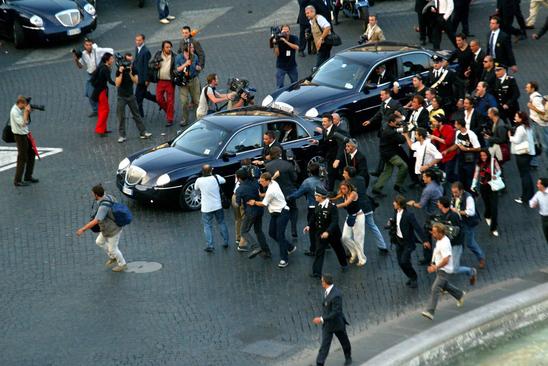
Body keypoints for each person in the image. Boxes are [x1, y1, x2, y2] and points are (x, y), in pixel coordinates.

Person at [247, 172, 296, 269]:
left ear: (267, 181)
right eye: (260, 181)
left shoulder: (271, 191)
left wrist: (254, 202)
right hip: (275, 213)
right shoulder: (273, 182)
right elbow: (272, 178)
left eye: (262, 181)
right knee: (271, 233)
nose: (260, 183)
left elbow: (264, 204)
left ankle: (284, 259)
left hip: (282, 213)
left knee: (280, 236)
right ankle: (290, 247)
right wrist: (262, 193)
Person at [76, 185, 127, 272]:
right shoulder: (108, 197)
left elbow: (96, 221)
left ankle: (122, 264)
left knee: (113, 249)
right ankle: (113, 257)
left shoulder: (103, 207)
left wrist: (82, 229)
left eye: (93, 194)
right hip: (107, 228)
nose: (92, 195)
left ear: (96, 195)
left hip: (113, 230)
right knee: (99, 242)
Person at [421, 223, 465, 320]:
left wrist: (435, 267)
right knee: (445, 285)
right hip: (441, 269)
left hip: (444, 270)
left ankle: (430, 311)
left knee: (435, 288)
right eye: (432, 232)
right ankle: (459, 294)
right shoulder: (440, 240)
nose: (433, 234)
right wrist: (433, 263)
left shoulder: (445, 243)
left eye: (435, 232)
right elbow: (437, 253)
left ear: (441, 233)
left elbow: (446, 260)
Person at [305, 186, 349, 277]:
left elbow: (334, 221)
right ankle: (316, 272)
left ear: (321, 197)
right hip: (321, 233)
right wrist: (309, 225)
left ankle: (344, 264)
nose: (315, 197)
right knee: (319, 251)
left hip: (333, 234)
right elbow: (314, 217)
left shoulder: (332, 207)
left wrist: (328, 232)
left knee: (338, 249)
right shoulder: (317, 204)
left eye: (316, 195)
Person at [343, 167, 389, 254]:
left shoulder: (347, 185)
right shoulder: (361, 179)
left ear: (349, 174)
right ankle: (382, 246)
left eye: (344, 173)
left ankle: (350, 250)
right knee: (373, 226)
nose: (343, 174)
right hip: (367, 207)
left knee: (351, 229)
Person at [312, 274, 353, 366]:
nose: (321, 282)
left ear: (326, 282)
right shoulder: (327, 291)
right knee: (325, 345)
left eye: (322, 281)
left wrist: (321, 319)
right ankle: (319, 363)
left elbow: (336, 312)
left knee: (344, 341)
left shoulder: (336, 295)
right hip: (327, 325)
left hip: (337, 324)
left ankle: (348, 357)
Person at [390, 195, 429, 288]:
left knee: (404, 261)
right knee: (401, 262)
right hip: (398, 241)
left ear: (399, 204)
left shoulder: (409, 215)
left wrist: (425, 240)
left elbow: (417, 228)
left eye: (395, 202)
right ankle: (411, 277)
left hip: (408, 242)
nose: (393, 203)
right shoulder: (395, 211)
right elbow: (397, 223)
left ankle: (414, 277)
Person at [436, 197, 477, 285]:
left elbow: (458, 231)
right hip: (447, 244)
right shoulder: (442, 215)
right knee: (442, 265)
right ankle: (443, 285)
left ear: (442, 205)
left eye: (438, 203)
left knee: (454, 269)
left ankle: (471, 271)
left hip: (456, 245)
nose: (437, 204)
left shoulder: (453, 216)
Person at [406, 169, 444, 264]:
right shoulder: (438, 185)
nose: (422, 178)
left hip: (432, 216)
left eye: (424, 176)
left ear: (429, 178)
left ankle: (429, 258)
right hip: (440, 214)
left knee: (426, 236)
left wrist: (412, 203)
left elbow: (420, 205)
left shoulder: (428, 190)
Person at [287, 162, 324, 256]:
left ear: (309, 172)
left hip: (313, 208)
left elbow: (298, 194)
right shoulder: (322, 179)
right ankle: (325, 244)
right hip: (324, 205)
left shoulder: (307, 182)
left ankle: (313, 250)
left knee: (312, 229)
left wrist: (288, 197)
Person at [114, 53, 152, 143]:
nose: (129, 63)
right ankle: (122, 135)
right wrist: (121, 72)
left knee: (136, 114)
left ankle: (143, 132)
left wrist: (130, 72)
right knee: (121, 117)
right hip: (121, 97)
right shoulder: (119, 70)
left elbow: (136, 81)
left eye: (130, 61)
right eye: (128, 61)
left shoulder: (133, 69)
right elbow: (117, 84)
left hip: (131, 95)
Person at [235, 168, 272, 259]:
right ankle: (267, 252)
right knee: (258, 231)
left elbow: (238, 204)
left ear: (239, 178)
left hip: (250, 212)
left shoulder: (240, 189)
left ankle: (255, 247)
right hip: (259, 209)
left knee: (244, 231)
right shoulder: (255, 182)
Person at [73, 38, 113, 117]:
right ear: (84, 46)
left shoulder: (97, 51)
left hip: (99, 75)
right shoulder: (83, 54)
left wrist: (107, 63)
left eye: (90, 45)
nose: (88, 47)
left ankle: (103, 108)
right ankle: (96, 110)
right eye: (87, 45)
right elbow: (80, 66)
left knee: (102, 92)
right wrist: (76, 60)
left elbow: (111, 50)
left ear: (92, 44)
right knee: (89, 93)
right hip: (90, 75)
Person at [194, 165, 230, 252]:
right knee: (221, 222)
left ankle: (210, 245)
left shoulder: (199, 180)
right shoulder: (216, 177)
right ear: (211, 170)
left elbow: (196, 189)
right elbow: (224, 181)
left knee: (207, 226)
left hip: (206, 207)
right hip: (218, 205)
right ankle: (226, 242)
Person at [265, 146, 299, 238]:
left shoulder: (267, 166)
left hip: (277, 194)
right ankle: (293, 229)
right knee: (293, 209)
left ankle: (279, 232)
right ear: (280, 154)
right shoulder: (287, 164)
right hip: (289, 192)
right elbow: (294, 178)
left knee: (278, 212)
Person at [451, 181, 486, 268]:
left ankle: (481, 258)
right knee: (457, 242)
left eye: (456, 192)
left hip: (467, 223)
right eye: (453, 192)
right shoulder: (455, 196)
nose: (454, 194)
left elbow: (471, 212)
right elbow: (452, 205)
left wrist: (458, 211)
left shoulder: (468, 198)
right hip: (459, 222)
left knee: (470, 243)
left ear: (461, 191)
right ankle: (454, 260)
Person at [372, 114, 408, 196]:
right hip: (390, 153)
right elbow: (402, 140)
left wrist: (398, 129)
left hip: (384, 152)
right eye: (396, 123)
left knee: (388, 171)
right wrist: (404, 133)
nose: (398, 124)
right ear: (391, 122)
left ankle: (376, 188)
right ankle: (398, 185)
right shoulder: (391, 132)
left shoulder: (385, 126)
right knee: (403, 166)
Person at [335, 181, 367, 266]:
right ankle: (354, 252)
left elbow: (346, 203)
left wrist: (334, 206)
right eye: (341, 189)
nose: (343, 190)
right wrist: (328, 199)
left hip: (358, 217)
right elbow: (336, 197)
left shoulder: (353, 194)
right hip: (350, 216)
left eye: (344, 188)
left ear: (349, 188)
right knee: (344, 237)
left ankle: (362, 259)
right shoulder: (343, 193)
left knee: (358, 239)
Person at [472, 149, 501, 236]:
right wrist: (473, 185)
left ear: (487, 155)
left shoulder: (493, 161)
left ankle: (494, 228)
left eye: (484, 155)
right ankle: (487, 215)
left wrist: (496, 175)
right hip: (483, 187)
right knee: (487, 205)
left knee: (494, 207)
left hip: (493, 186)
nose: (483, 157)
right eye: (481, 156)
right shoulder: (478, 164)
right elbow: (476, 175)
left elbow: (499, 170)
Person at [509, 112, 536, 204]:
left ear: (520, 119)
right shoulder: (527, 127)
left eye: (516, 116)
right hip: (528, 153)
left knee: (524, 175)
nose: (515, 117)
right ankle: (531, 194)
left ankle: (525, 197)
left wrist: (510, 137)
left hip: (522, 154)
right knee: (527, 174)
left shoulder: (520, 128)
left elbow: (516, 140)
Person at [313, 114, 344, 191]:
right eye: (322, 121)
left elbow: (341, 146)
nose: (323, 123)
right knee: (332, 174)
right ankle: (332, 189)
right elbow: (325, 141)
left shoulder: (337, 131)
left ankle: (330, 191)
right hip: (330, 156)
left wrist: (337, 159)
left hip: (337, 157)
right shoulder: (325, 130)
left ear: (330, 121)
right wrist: (317, 142)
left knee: (332, 174)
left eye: (325, 121)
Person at [10, 96, 37, 186]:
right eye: (24, 105)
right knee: (22, 157)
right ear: (20, 103)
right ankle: (17, 180)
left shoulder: (19, 109)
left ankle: (28, 176)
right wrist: (26, 112)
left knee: (32, 153)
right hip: (19, 136)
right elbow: (23, 123)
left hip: (25, 134)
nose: (25, 106)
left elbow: (27, 121)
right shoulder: (14, 112)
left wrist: (28, 112)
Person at [448, 119, 481, 190]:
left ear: (460, 125)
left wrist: (467, 149)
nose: (455, 126)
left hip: (470, 159)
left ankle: (471, 192)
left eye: (456, 124)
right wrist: (447, 151)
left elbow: (478, 148)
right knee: (461, 177)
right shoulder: (457, 133)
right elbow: (457, 144)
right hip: (461, 158)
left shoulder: (471, 134)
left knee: (469, 178)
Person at [150, 41, 176, 126]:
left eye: (170, 47)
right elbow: (150, 64)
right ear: (163, 48)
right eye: (167, 47)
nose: (169, 49)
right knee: (159, 99)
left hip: (170, 81)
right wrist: (155, 66)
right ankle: (169, 111)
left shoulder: (174, 56)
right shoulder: (158, 54)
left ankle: (170, 119)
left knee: (170, 101)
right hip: (160, 81)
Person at [175, 44, 201, 126]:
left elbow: (198, 66)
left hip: (193, 80)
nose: (193, 49)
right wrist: (185, 64)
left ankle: (200, 119)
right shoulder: (179, 57)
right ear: (186, 50)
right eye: (192, 48)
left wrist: (198, 67)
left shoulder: (194, 56)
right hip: (183, 82)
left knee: (197, 100)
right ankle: (185, 119)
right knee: (184, 102)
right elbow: (177, 69)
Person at [91, 52, 115, 136]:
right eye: (111, 59)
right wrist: (118, 84)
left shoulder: (102, 66)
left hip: (99, 91)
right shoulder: (105, 69)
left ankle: (103, 129)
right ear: (107, 60)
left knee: (102, 110)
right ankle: (100, 129)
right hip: (101, 91)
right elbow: (110, 81)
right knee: (105, 110)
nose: (113, 60)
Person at [133, 34, 157, 117]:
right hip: (139, 77)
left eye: (139, 40)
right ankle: (160, 101)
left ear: (143, 40)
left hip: (143, 78)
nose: (137, 42)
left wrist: (147, 79)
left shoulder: (146, 51)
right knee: (144, 94)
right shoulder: (137, 48)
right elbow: (136, 61)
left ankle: (140, 114)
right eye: (136, 40)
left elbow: (147, 67)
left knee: (138, 96)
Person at [431, 114, 458, 183]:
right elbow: (433, 143)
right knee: (443, 174)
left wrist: (435, 137)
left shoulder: (449, 128)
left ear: (440, 122)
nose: (433, 123)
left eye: (435, 121)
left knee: (448, 175)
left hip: (450, 155)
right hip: (441, 156)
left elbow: (448, 142)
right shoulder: (435, 131)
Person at [272, 24, 300, 88]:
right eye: (284, 32)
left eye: (287, 31)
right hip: (281, 66)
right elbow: (277, 54)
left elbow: (297, 47)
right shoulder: (278, 39)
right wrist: (275, 44)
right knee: (279, 86)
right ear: (281, 32)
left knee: (295, 85)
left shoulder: (294, 37)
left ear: (290, 31)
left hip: (292, 66)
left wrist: (285, 41)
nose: (286, 33)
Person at [526, 81, 547, 159]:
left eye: (528, 87)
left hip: (540, 125)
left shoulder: (536, 99)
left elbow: (542, 111)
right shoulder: (533, 96)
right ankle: (534, 161)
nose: (526, 89)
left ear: (533, 88)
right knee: (533, 141)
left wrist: (531, 107)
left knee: (544, 145)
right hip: (535, 123)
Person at [529, 177, 548, 243]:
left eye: (538, 184)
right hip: (544, 218)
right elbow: (531, 203)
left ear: (543, 185)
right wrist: (534, 204)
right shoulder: (538, 194)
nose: (537, 185)